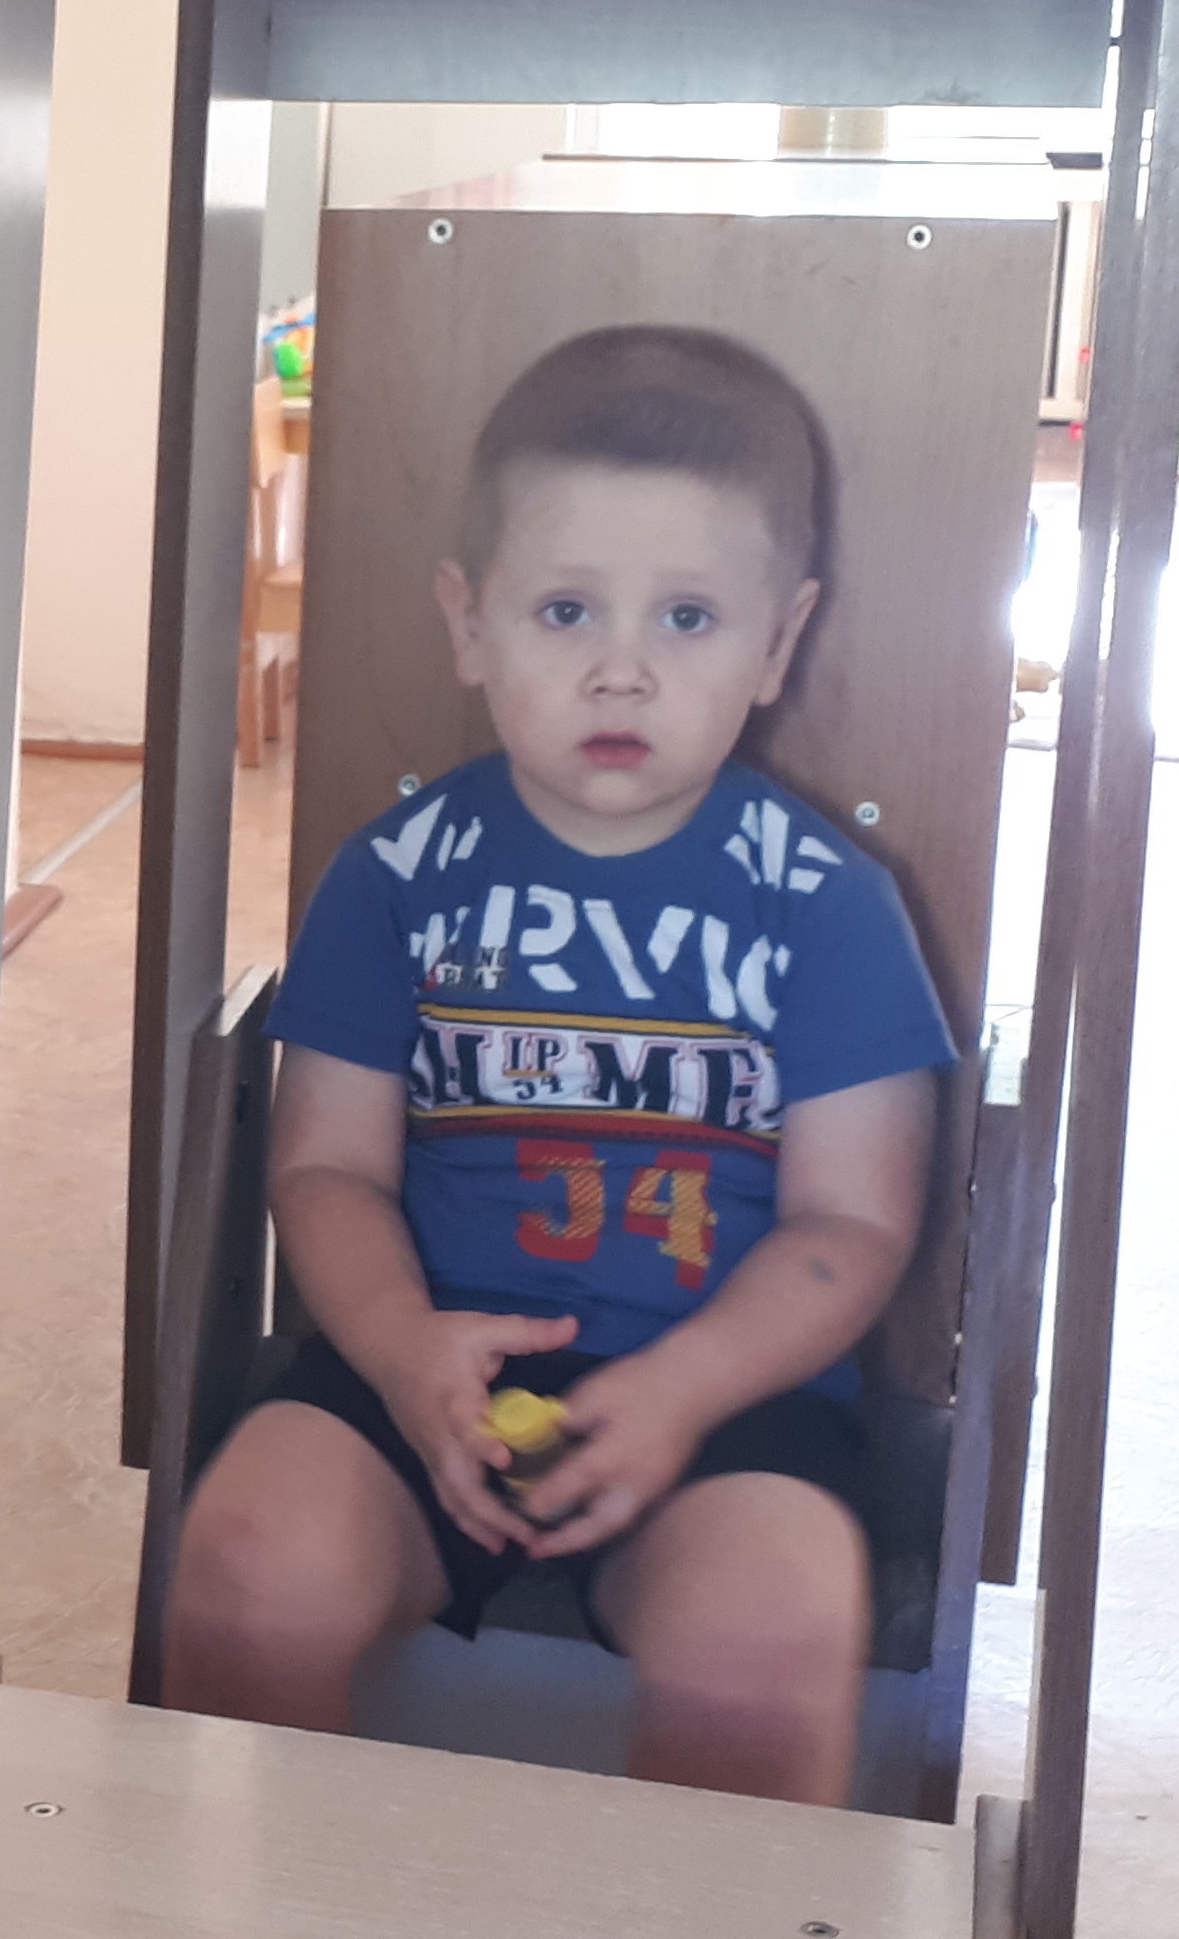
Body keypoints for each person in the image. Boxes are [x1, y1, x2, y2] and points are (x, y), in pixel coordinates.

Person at [162, 325, 953, 1805]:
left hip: (727, 1402)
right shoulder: (392, 879)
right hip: (416, 1368)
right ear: (470, 624)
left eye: (690, 619)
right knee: (250, 1567)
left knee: (766, 1637)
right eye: (567, 609)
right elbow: (324, 1167)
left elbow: (854, 1223)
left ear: (779, 643)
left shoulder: (827, 905)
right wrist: (402, 1351)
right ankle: (271, 1938)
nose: (623, 671)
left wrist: (682, 1389)